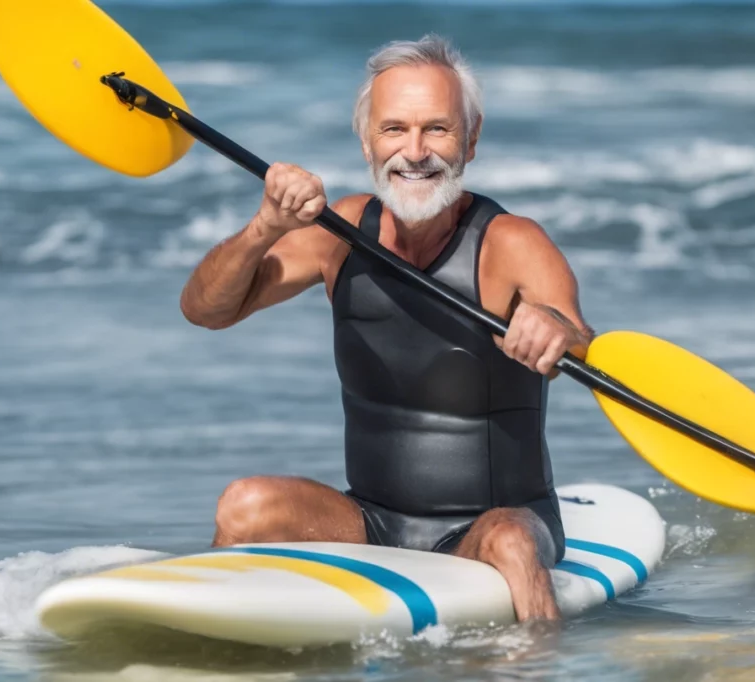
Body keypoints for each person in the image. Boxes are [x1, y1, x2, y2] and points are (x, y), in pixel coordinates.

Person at [179, 34, 593, 622]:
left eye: (438, 129)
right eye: (394, 129)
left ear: (471, 140)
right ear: (367, 141)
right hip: (371, 520)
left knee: (511, 542)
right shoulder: (338, 231)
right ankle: (216, 644)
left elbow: (583, 340)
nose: (415, 151)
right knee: (244, 505)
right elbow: (205, 309)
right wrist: (264, 227)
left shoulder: (511, 243)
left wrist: (553, 328)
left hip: (490, 525)